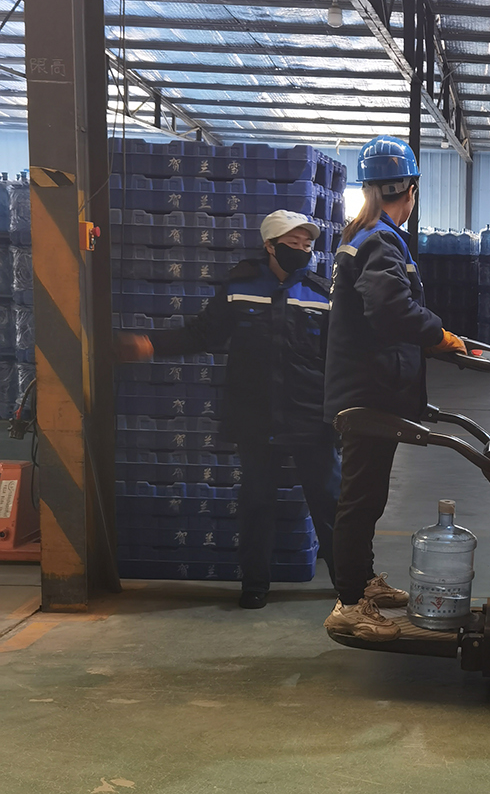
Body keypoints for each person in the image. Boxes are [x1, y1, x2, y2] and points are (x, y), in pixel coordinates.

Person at [116, 209, 340, 610]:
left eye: (307, 245)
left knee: (328, 500)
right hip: (255, 415)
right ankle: (254, 583)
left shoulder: (322, 295)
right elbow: (203, 333)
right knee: (256, 501)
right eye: (293, 243)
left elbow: (340, 356)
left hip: (309, 415)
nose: (302, 250)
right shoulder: (239, 288)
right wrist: (151, 345)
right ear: (270, 246)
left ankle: (349, 581)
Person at [324, 136, 466, 642]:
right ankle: (349, 604)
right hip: (367, 392)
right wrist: (436, 333)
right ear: (407, 189)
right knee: (360, 500)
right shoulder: (380, 240)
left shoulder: (362, 234)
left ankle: (362, 582)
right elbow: (389, 309)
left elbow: (378, 316)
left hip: (370, 387)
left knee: (369, 497)